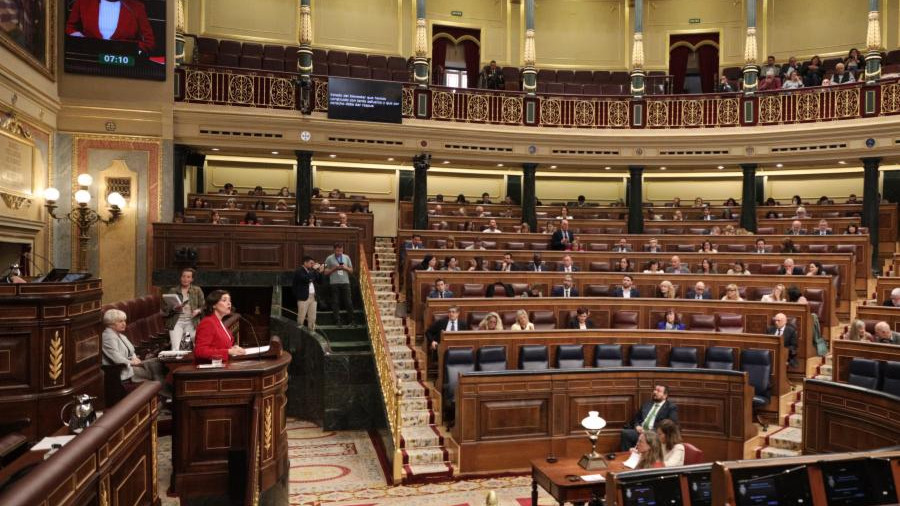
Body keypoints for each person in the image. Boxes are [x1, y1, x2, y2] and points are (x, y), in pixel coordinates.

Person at [101, 308, 169, 396]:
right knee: (156, 367)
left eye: (124, 321)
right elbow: (116, 358)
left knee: (158, 362)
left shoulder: (120, 335)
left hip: (131, 366)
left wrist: (134, 357)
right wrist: (132, 362)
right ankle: (166, 395)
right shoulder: (108, 337)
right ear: (111, 323)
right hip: (123, 371)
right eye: (120, 321)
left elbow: (131, 351)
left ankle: (165, 395)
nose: (124, 324)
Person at [66, 0, 156, 53]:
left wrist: (128, 47)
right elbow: (69, 28)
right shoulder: (83, 2)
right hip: (89, 61)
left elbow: (149, 42)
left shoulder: (137, 8)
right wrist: (81, 39)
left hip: (123, 66)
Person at [620, 384, 678, 451]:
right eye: (655, 390)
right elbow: (636, 418)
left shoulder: (670, 407)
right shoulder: (647, 403)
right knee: (625, 433)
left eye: (658, 391)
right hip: (640, 432)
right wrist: (637, 425)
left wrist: (650, 432)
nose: (655, 392)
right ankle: (627, 456)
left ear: (665, 395)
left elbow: (670, 425)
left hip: (654, 434)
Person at [194, 290, 246, 364]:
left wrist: (233, 348)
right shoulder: (208, 322)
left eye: (229, 300)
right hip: (209, 370)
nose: (229, 303)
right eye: (224, 300)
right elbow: (200, 351)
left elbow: (219, 346)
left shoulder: (219, 322)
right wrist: (228, 351)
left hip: (222, 366)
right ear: (214, 305)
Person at [162, 268, 205, 351]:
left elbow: (204, 306)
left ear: (192, 279)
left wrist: (198, 310)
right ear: (180, 278)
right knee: (175, 348)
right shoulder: (173, 290)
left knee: (197, 346)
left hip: (192, 322)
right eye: (183, 276)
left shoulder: (197, 290)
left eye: (188, 277)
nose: (185, 279)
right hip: (177, 322)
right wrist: (174, 308)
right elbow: (165, 309)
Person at [324, 243, 355, 326]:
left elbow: (351, 271)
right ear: (334, 250)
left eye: (341, 250)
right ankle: (337, 320)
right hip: (334, 283)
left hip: (345, 282)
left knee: (348, 301)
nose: (339, 252)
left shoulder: (347, 257)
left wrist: (345, 268)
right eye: (337, 250)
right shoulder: (329, 258)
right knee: (335, 302)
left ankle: (351, 320)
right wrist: (335, 268)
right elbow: (325, 272)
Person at [292, 256, 323, 330]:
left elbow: (320, 282)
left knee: (312, 318)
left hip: (313, 297)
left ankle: (312, 332)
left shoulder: (312, 271)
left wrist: (320, 273)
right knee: (301, 317)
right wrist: (314, 270)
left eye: (313, 263)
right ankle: (299, 333)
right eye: (311, 263)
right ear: (305, 263)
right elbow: (306, 279)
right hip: (303, 297)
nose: (312, 265)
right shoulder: (299, 271)